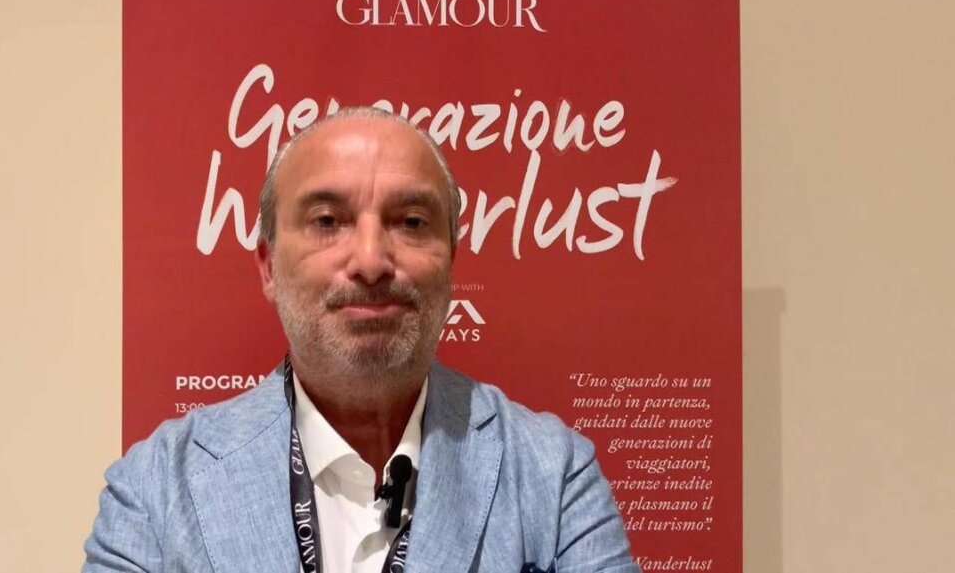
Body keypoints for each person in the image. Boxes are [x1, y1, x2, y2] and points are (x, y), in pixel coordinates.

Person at [83, 107, 640, 573]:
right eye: (327, 221)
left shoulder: (554, 475)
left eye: (412, 222)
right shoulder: (154, 492)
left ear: (451, 261)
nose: (371, 261)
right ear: (269, 266)